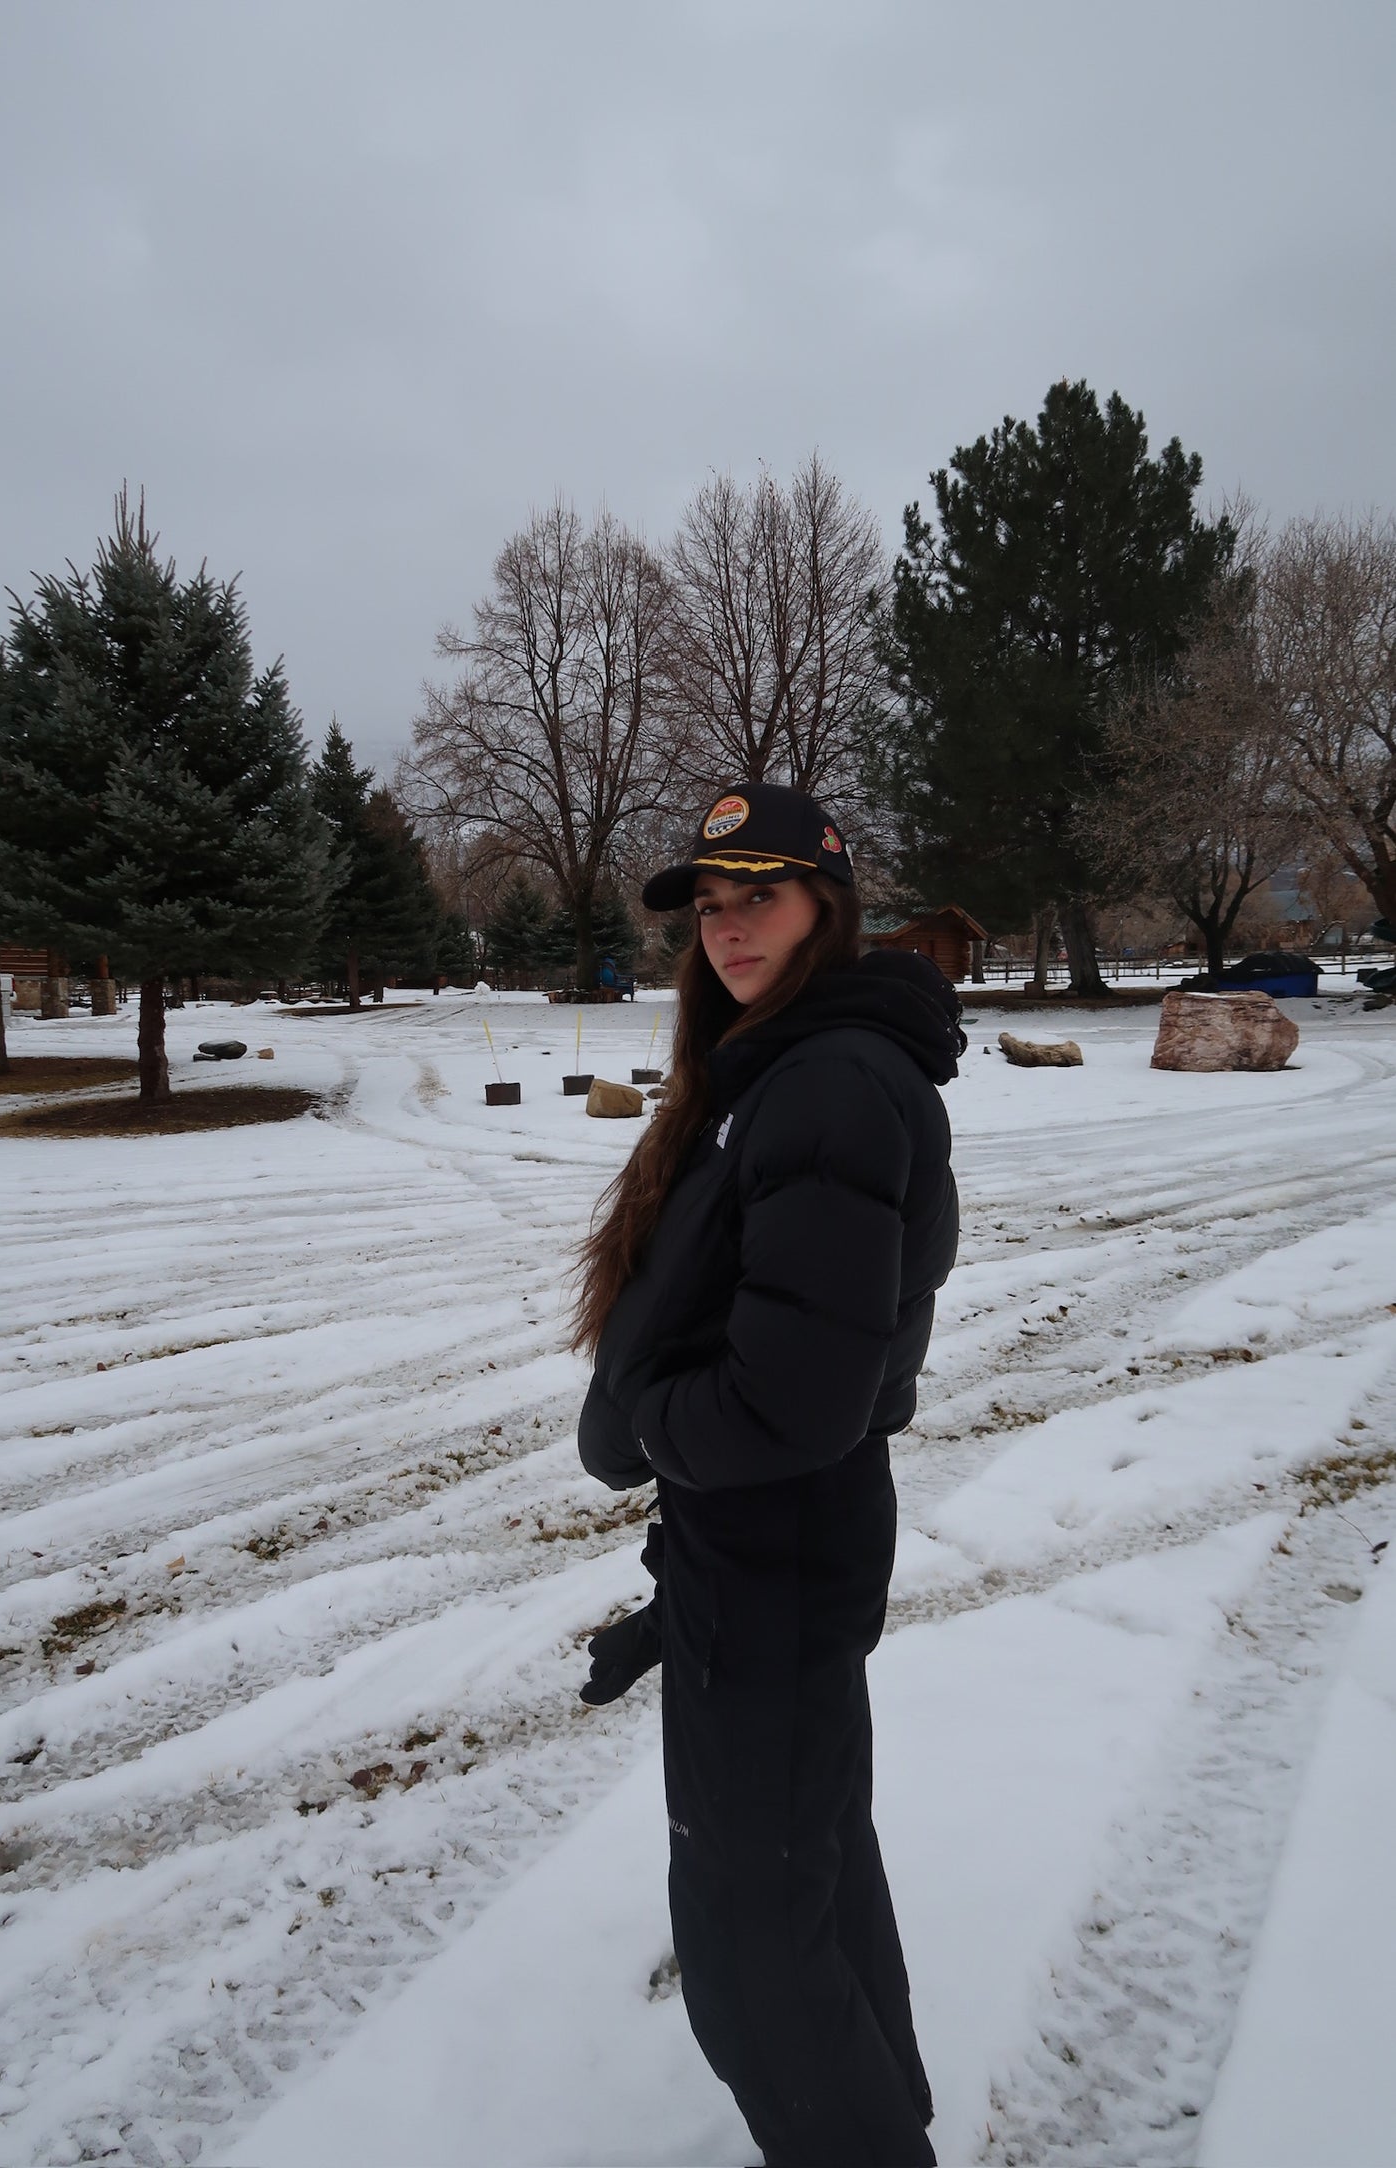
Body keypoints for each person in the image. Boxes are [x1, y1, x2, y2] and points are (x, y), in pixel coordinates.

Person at [572, 782, 963, 2168]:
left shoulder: (831, 1085)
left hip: (779, 1549)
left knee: (748, 1952)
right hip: (763, 1555)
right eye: (712, 904)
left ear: (827, 907)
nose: (728, 928)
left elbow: (788, 1405)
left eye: (762, 896)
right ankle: (886, 2110)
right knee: (810, 1867)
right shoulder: (776, 1071)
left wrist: (640, 1422)